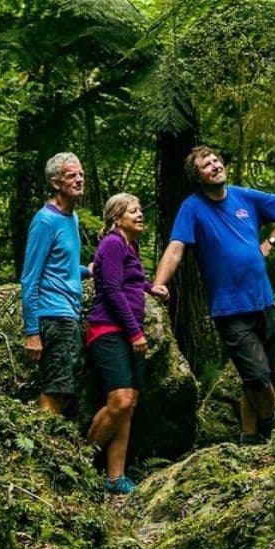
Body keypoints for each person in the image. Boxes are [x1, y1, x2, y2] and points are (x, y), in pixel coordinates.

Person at [152, 146, 275, 444]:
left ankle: (249, 436)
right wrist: (159, 283)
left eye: (216, 161)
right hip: (229, 309)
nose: (214, 166)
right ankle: (273, 426)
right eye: (206, 165)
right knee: (258, 376)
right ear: (198, 177)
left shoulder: (244, 196)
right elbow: (176, 247)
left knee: (259, 378)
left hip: (264, 302)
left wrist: (270, 241)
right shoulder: (192, 208)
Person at [85, 193, 168, 494]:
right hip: (109, 331)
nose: (139, 214)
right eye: (133, 211)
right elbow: (111, 289)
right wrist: (135, 332)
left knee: (129, 405)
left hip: (127, 332)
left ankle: (115, 477)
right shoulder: (112, 243)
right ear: (116, 218)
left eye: (140, 209)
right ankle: (81, 461)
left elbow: (129, 281)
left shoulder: (130, 245)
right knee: (119, 401)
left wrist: (151, 287)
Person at [20, 152, 92, 416]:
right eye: (71, 175)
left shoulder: (71, 218)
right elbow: (30, 276)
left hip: (69, 312)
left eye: (81, 174)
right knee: (56, 386)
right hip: (53, 314)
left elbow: (63, 265)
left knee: (67, 383)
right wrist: (32, 332)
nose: (79, 180)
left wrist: (87, 270)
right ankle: (43, 445)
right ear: (55, 182)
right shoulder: (45, 221)